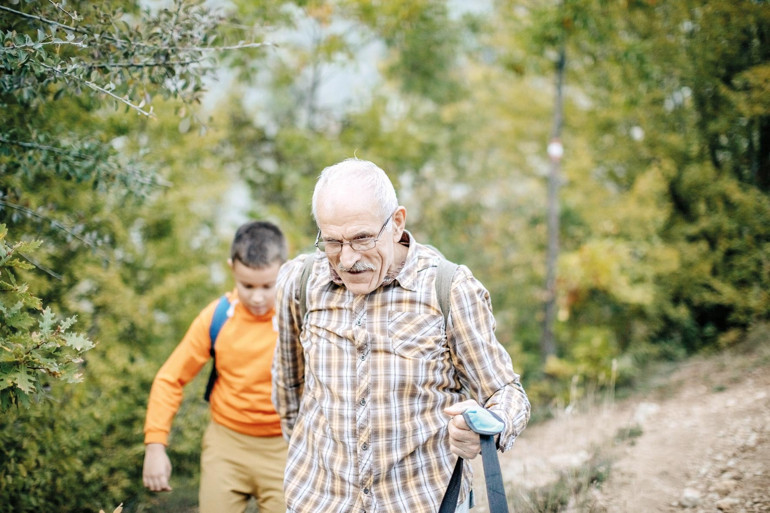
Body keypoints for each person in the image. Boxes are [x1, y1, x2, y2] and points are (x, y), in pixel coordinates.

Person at [272, 158, 531, 513]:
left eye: (362, 238)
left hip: (423, 501)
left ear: (396, 223)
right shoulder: (298, 283)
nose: (347, 259)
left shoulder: (450, 288)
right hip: (317, 501)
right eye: (332, 242)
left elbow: (506, 392)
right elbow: (289, 388)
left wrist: (488, 427)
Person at [143, 221, 288, 513]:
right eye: (247, 285)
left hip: (287, 449)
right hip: (226, 447)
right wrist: (155, 446)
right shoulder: (217, 317)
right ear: (232, 269)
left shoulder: (299, 317)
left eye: (267, 286)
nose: (257, 297)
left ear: (285, 271)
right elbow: (170, 379)